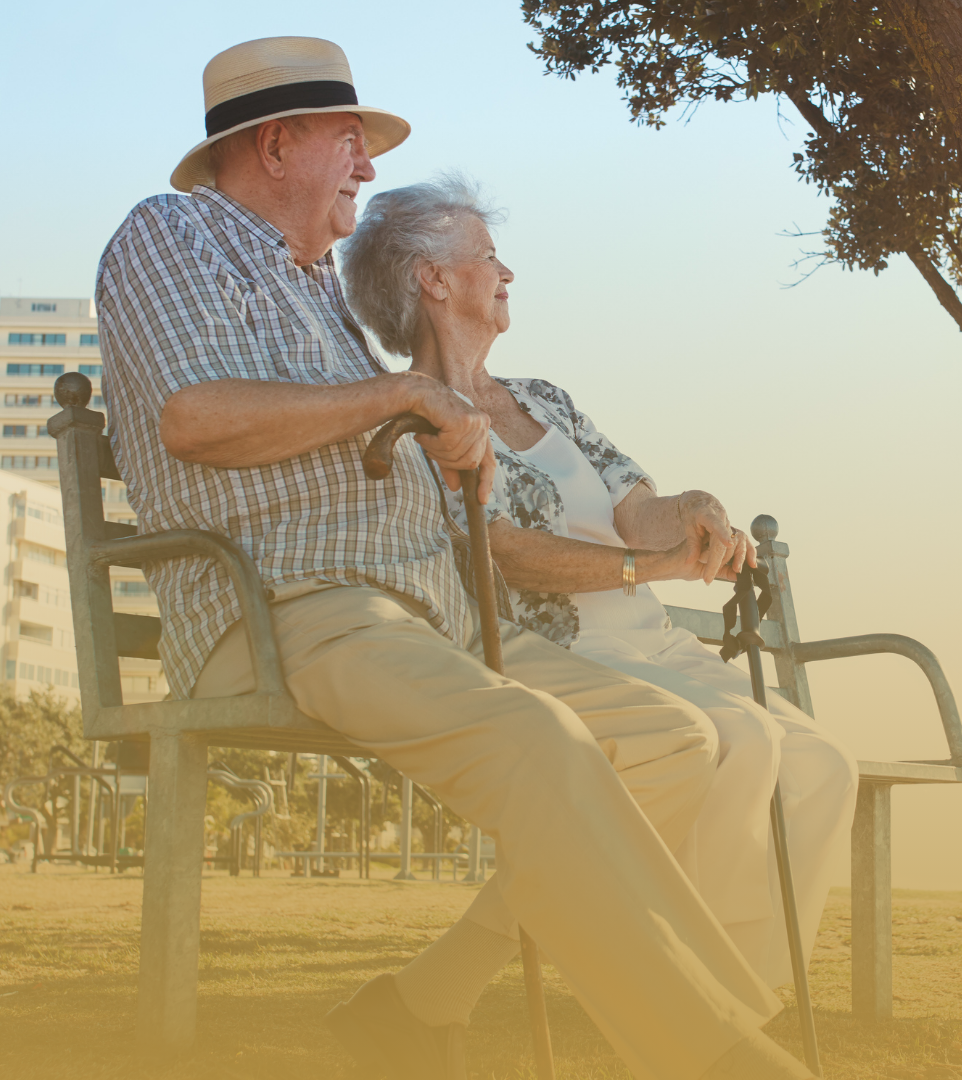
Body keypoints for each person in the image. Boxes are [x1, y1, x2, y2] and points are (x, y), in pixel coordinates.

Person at [96, 35, 813, 1080]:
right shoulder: (174, 233)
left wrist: (451, 463)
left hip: (436, 611)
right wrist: (400, 397)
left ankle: (427, 1000)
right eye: (352, 141)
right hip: (297, 604)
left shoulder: (316, 292)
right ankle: (711, 1051)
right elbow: (195, 419)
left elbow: (367, 436)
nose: (369, 167)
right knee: (542, 744)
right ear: (279, 143)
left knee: (669, 740)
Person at [335, 175, 859, 1000]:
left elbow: (635, 508)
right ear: (432, 279)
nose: (508, 275)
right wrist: (647, 569)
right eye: (490, 257)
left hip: (651, 641)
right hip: (561, 653)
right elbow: (498, 553)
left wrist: (694, 515)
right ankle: (697, 995)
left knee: (824, 761)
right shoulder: (417, 419)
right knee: (745, 745)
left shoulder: (546, 400)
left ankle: (753, 991)